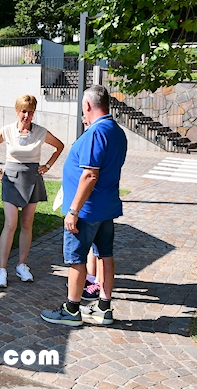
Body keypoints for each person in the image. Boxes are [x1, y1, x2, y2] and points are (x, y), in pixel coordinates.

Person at [41, 85, 127, 326]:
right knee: (105, 255)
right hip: (106, 206)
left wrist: (73, 210)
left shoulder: (96, 133)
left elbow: (90, 175)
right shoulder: (117, 131)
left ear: (88, 106)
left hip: (87, 210)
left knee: (76, 259)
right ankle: (103, 306)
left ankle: (71, 310)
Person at [0, 94, 65, 288]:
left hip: (32, 177)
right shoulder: (7, 130)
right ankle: (1, 269)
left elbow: (59, 146)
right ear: (17, 111)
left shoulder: (40, 132)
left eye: (30, 112)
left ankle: (22, 265)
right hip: (11, 178)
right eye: (23, 111)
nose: (26, 115)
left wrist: (47, 165)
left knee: (27, 223)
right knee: (10, 223)